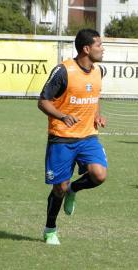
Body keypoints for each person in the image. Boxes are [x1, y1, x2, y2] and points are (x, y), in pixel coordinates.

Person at [37, 29, 108, 245]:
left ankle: (74, 189)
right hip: (62, 138)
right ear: (86, 49)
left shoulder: (99, 71)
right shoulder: (63, 71)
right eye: (99, 45)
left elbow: (93, 96)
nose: (102, 49)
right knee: (58, 187)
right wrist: (62, 116)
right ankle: (50, 228)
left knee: (99, 175)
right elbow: (43, 101)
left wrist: (97, 115)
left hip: (88, 137)